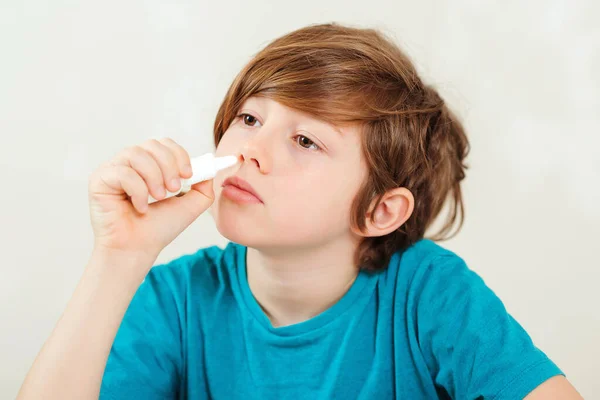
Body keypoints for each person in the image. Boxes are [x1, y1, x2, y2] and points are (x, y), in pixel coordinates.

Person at [18, 23, 582, 399]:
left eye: (306, 141)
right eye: (251, 118)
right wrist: (119, 255)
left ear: (381, 212)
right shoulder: (176, 300)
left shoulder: (428, 293)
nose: (248, 151)